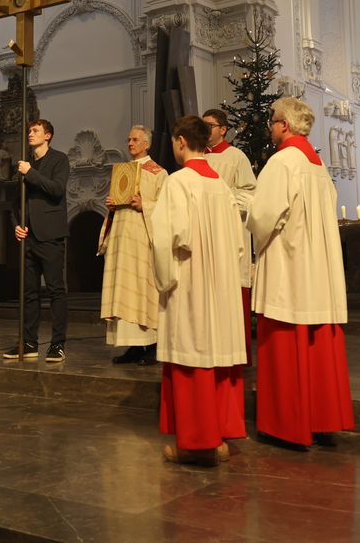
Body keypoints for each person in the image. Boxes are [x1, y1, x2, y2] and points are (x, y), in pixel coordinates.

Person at [248, 97, 353, 448]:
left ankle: (287, 424)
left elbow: (263, 217)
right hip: (317, 268)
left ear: (285, 126)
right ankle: (320, 419)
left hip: (290, 267)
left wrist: (246, 213)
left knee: (284, 339)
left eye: (274, 121)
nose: (271, 127)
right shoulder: (317, 164)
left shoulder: (282, 162)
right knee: (317, 343)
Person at [151, 115, 248, 465]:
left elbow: (164, 240)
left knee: (191, 359)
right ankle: (220, 437)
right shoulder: (221, 186)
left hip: (190, 284)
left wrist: (164, 282)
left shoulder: (179, 183)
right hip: (220, 286)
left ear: (180, 141)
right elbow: (238, 245)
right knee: (217, 359)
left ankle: (196, 443)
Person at [99, 125, 167, 365]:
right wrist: (111, 204)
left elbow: (167, 207)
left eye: (135, 139)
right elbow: (117, 200)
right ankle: (133, 347)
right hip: (121, 238)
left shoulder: (159, 172)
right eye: (128, 139)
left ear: (146, 144)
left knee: (142, 289)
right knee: (123, 289)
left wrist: (144, 204)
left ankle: (151, 344)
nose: (129, 143)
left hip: (142, 240)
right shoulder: (122, 171)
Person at [5, 119, 71, 363]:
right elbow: (14, 204)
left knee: (56, 290)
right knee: (29, 292)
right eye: (29, 131)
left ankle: (57, 344)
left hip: (51, 235)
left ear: (48, 135)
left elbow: (56, 189)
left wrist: (30, 173)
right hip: (29, 237)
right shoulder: (26, 164)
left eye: (35, 131)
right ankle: (29, 342)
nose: (30, 134)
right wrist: (16, 226)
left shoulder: (58, 160)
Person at [203, 108, 257, 364]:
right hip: (204, 235)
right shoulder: (197, 157)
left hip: (231, 233)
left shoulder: (236, 157)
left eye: (210, 126)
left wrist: (221, 199)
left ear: (223, 129)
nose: (205, 130)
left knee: (233, 296)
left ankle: (238, 353)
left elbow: (250, 195)